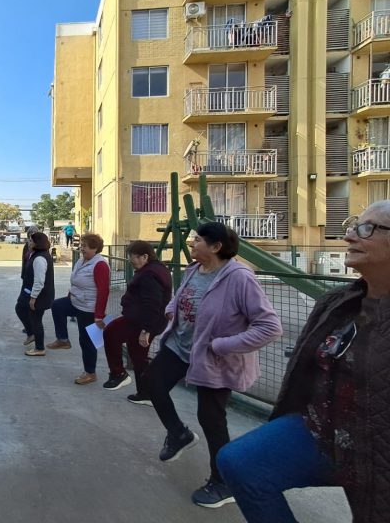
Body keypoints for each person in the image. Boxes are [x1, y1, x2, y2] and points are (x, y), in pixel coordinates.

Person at [217, 201, 390, 523]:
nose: (350, 236)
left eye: (366, 229)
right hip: (321, 429)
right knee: (239, 462)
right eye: (353, 226)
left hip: (375, 449)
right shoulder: (338, 303)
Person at [146, 222, 282, 508]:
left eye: (197, 240)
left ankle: (223, 482)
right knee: (151, 383)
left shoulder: (240, 278)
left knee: (211, 420)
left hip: (214, 359)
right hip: (180, 347)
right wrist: (171, 311)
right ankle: (178, 433)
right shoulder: (195, 269)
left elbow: (269, 327)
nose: (192, 244)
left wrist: (222, 345)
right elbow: (182, 297)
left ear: (216, 246)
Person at [101, 241, 172, 400]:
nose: (129, 261)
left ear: (144, 256)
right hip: (144, 320)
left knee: (111, 332)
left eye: (132, 257)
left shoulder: (149, 275)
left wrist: (146, 330)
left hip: (141, 322)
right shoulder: (154, 269)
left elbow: (152, 303)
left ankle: (118, 373)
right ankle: (146, 394)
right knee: (138, 357)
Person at [49, 233, 110, 384]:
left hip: (89, 308)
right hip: (76, 301)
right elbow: (76, 281)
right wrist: (70, 295)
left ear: (95, 248)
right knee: (57, 305)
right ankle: (63, 340)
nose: (81, 249)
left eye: (85, 246)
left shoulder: (100, 265)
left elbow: (103, 291)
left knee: (86, 341)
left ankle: (90, 373)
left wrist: (99, 315)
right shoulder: (82, 260)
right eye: (81, 245)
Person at [15, 231, 55, 356]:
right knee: (20, 308)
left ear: (37, 243)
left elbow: (39, 281)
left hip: (39, 295)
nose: (29, 242)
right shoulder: (36, 255)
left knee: (36, 319)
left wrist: (33, 298)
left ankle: (39, 348)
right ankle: (31, 333)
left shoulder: (40, 258)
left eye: (31, 241)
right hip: (30, 291)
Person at [19, 225, 40, 345]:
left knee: (32, 304)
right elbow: (24, 262)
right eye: (29, 235)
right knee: (24, 305)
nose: (30, 237)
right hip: (26, 278)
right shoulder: (26, 246)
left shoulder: (40, 248)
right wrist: (23, 275)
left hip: (34, 280)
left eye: (33, 235)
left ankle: (34, 329)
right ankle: (29, 327)